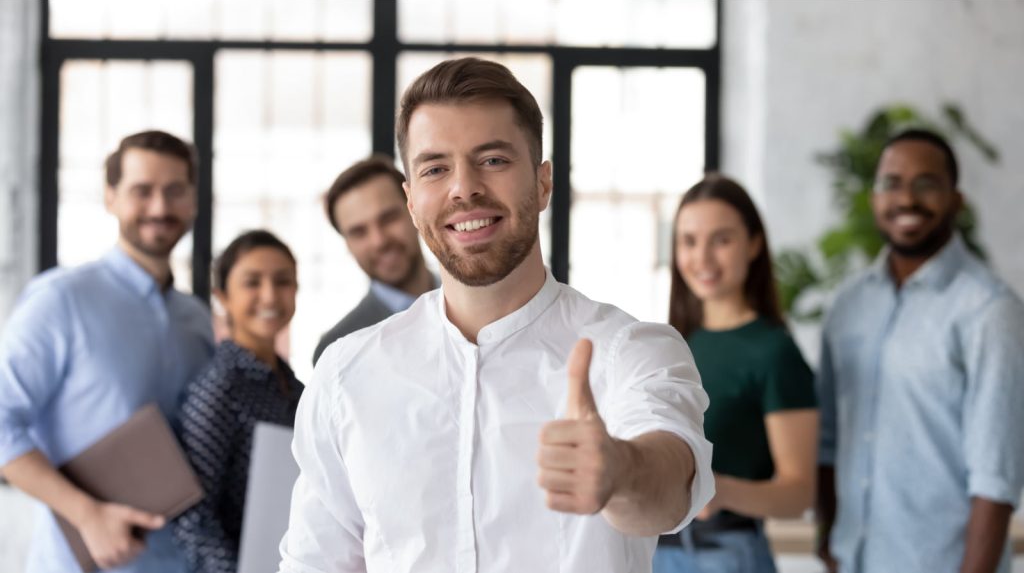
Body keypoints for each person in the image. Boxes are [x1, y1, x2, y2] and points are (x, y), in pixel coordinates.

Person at [277, 57, 714, 573]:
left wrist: (620, 471)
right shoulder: (345, 374)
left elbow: (670, 488)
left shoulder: (630, 350)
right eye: (435, 168)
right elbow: (315, 562)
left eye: (493, 160)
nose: (464, 188)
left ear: (544, 183)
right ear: (412, 201)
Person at [0, 130, 215, 572]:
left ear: (193, 201)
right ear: (111, 197)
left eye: (175, 191)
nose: (160, 207)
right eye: (142, 191)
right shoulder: (60, 300)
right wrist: (86, 514)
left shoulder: (196, 318)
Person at [815, 129, 1024, 573]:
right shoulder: (848, 306)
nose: (906, 199)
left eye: (926, 184)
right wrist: (828, 544)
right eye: (891, 183)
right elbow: (829, 442)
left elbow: (996, 478)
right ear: (874, 199)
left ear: (956, 200)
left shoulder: (990, 310)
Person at [654, 174, 819, 573]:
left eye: (722, 240)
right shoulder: (671, 343)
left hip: (725, 557)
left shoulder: (774, 353)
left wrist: (719, 490)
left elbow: (798, 493)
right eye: (689, 241)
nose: (703, 258)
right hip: (655, 552)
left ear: (754, 244)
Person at [173, 229, 303, 573]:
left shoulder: (297, 388)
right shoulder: (219, 388)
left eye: (283, 281)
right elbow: (193, 517)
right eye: (252, 282)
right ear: (222, 297)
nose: (270, 295)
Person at [312, 155, 436, 365]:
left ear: (413, 210)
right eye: (359, 232)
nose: (379, 241)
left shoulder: (475, 305)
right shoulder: (337, 351)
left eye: (388, 219)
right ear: (347, 245)